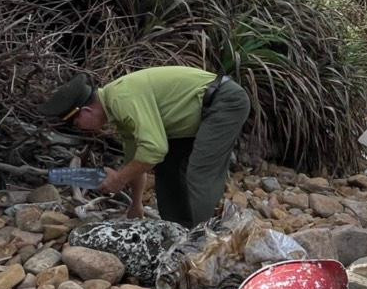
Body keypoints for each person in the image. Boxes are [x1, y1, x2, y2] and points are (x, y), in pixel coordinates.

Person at [41, 66, 251, 227]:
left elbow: (154, 149)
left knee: (199, 171)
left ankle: (200, 240)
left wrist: (119, 178)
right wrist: (136, 204)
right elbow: (137, 161)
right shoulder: (117, 112)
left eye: (77, 123)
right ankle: (177, 228)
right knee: (168, 168)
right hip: (194, 116)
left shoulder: (121, 97)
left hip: (224, 102)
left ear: (86, 111)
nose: (81, 129)